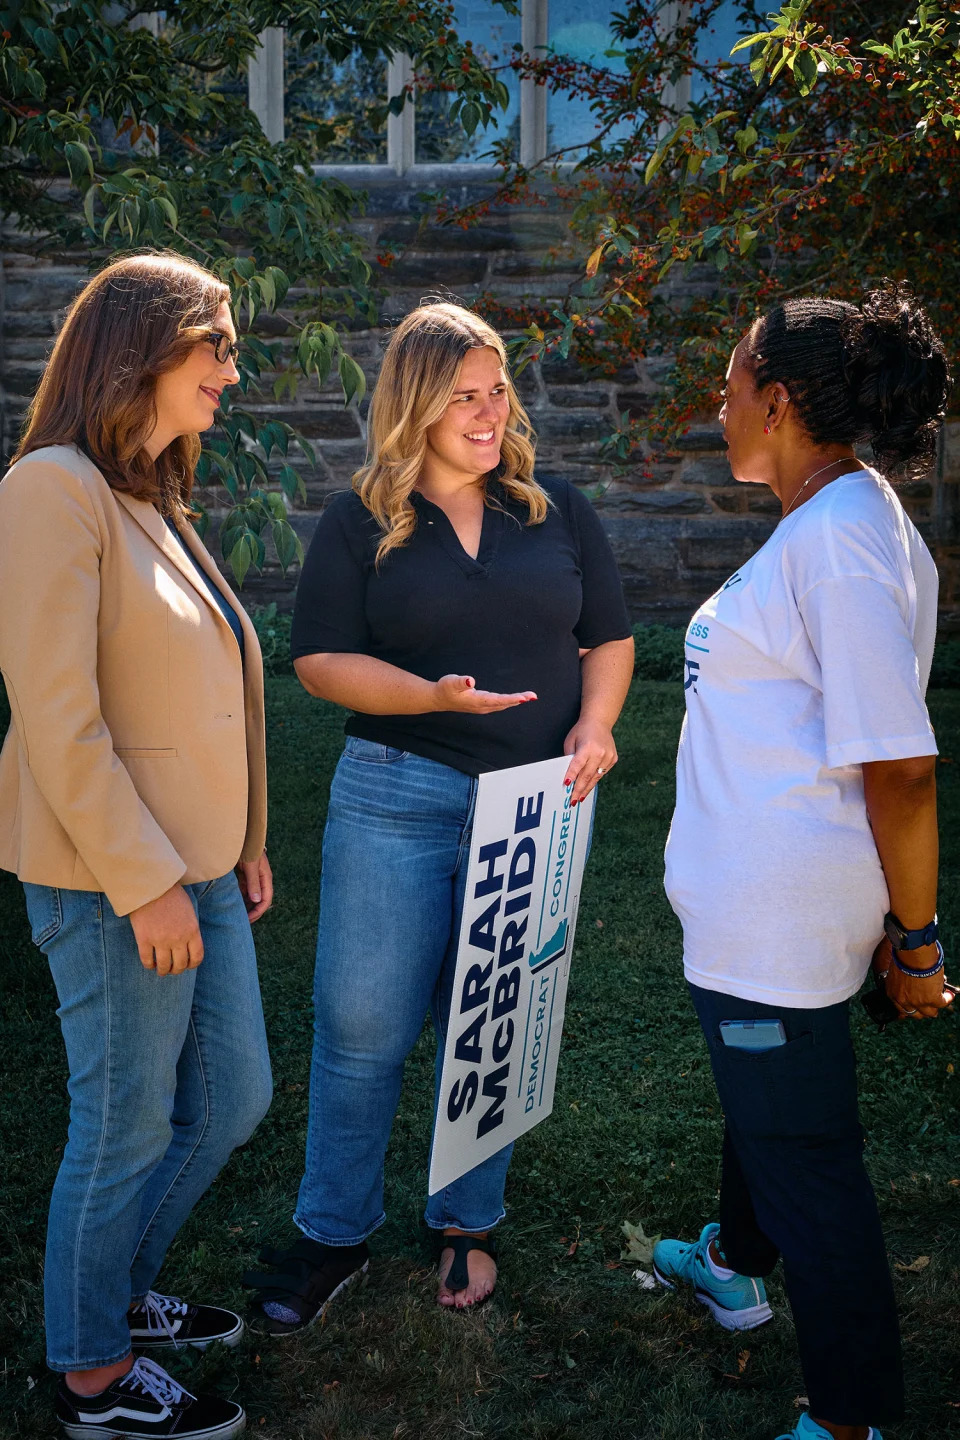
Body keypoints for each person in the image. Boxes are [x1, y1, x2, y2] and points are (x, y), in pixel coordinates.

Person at [243, 301, 634, 1329]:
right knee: (361, 1021)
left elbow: (609, 639)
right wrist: (429, 696)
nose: (489, 408)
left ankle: (467, 1221)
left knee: (494, 1018)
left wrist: (594, 729)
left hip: (531, 805)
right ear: (416, 402)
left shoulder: (555, 511)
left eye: (497, 389)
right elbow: (319, 662)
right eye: (465, 393)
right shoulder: (357, 520)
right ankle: (333, 1235)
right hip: (395, 791)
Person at [654, 282, 952, 1440]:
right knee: (768, 1107)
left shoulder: (836, 544)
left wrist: (918, 942)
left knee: (811, 1157)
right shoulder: (841, 520)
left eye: (730, 379)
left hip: (777, 923)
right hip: (766, 917)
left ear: (775, 401)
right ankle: (733, 1258)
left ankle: (851, 1417)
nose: (716, 398)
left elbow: (903, 768)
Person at [0, 253, 274, 1440]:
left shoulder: (150, 493)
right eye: (211, 342)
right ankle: (93, 1374)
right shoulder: (49, 488)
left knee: (233, 1099)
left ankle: (110, 1295)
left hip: (201, 868)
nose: (229, 366)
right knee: (124, 1128)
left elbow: (223, 682)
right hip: (113, 879)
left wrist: (247, 840)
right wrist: (148, 880)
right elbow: (58, 716)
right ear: (139, 350)